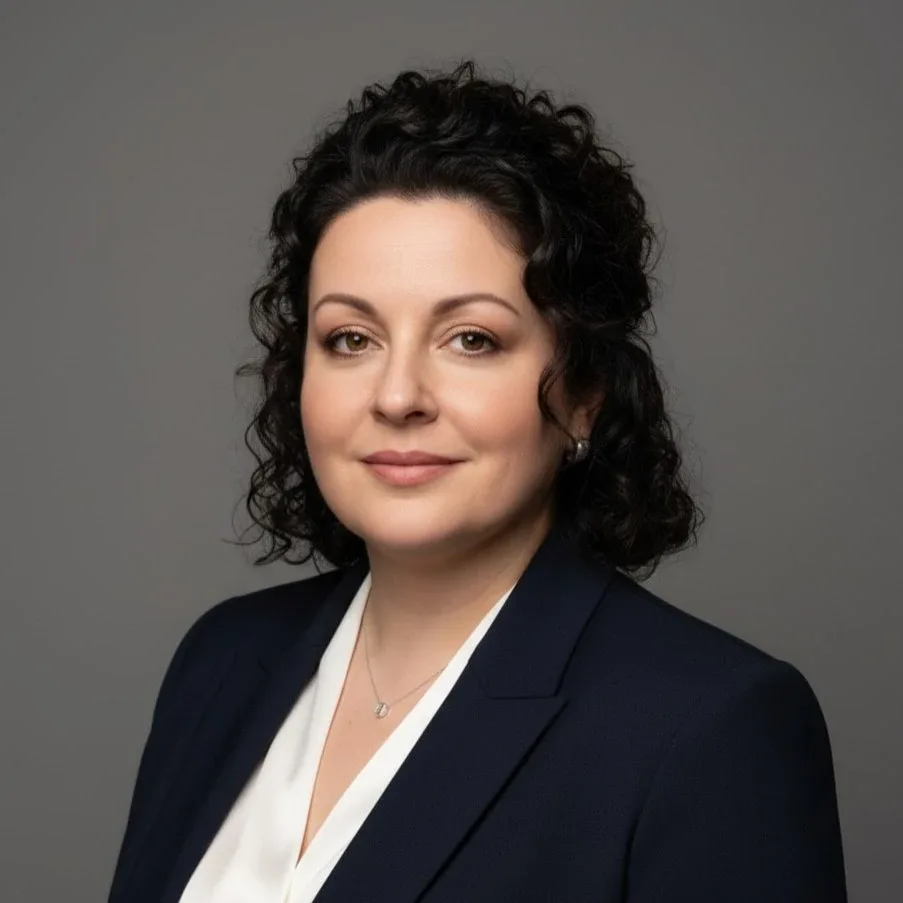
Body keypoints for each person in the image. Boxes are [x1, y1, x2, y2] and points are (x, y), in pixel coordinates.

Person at [107, 60, 847, 902]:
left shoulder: (709, 726)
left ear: (582, 393)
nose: (397, 396)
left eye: (471, 340)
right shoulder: (221, 661)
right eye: (350, 338)